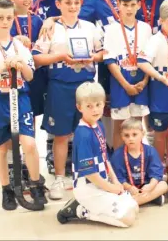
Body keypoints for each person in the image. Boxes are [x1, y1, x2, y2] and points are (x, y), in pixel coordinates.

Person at [32, 0, 103, 200]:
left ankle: (88, 176)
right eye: (68, 2)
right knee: (61, 135)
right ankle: (59, 178)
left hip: (86, 86)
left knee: (87, 132)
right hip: (60, 86)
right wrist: (60, 57)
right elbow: (36, 59)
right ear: (58, 4)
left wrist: (92, 57)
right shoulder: (50, 28)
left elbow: (101, 54)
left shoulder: (90, 27)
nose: (73, 6)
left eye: (76, 2)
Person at [0, 0, 46, 210]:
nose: (5, 21)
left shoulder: (19, 45)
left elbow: (30, 76)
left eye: (9, 18)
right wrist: (2, 66)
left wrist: (19, 65)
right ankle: (6, 190)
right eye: (0, 18)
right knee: (1, 148)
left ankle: (36, 184)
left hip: (20, 98)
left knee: (28, 143)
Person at [57, 82, 138, 227]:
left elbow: (105, 157)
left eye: (98, 104)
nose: (95, 110)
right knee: (128, 219)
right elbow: (90, 174)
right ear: (79, 107)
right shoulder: (83, 134)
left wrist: (115, 181)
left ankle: (90, 206)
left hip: (102, 184)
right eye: (89, 106)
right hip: (88, 188)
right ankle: (81, 210)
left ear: (103, 104)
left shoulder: (99, 125)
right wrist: (110, 188)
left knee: (134, 207)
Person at [138, 0, 168, 163]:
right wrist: (159, 77)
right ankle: (158, 167)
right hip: (160, 93)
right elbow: (141, 62)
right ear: (161, 21)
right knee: (160, 134)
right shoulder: (156, 40)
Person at [103, 0, 152, 150]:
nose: (129, 9)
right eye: (125, 5)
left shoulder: (145, 28)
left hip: (140, 82)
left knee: (136, 125)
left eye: (133, 4)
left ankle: (135, 160)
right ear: (119, 5)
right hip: (120, 82)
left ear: (139, 5)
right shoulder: (111, 29)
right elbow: (110, 61)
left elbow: (149, 59)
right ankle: (118, 166)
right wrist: (125, 85)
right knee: (120, 126)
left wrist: (144, 82)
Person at [111, 118, 168, 206]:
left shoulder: (151, 151)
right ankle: (151, 198)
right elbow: (118, 178)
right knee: (114, 188)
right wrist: (129, 187)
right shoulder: (117, 155)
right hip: (128, 187)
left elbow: (156, 174)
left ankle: (131, 203)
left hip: (146, 186)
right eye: (126, 135)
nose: (131, 138)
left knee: (163, 185)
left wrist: (150, 186)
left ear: (142, 134)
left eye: (134, 134)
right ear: (122, 136)